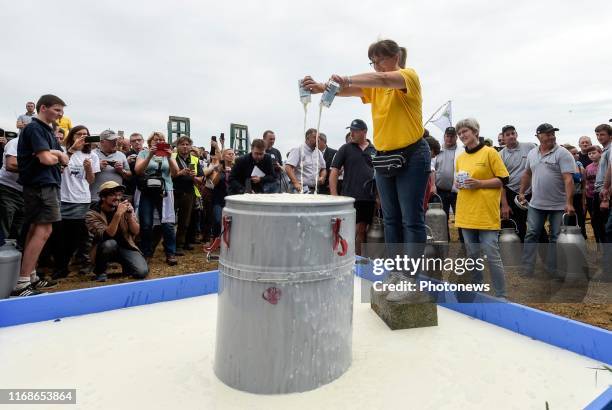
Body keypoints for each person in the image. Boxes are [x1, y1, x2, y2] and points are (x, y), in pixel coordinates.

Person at [302, 39, 430, 303]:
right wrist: (322, 88)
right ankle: (396, 273)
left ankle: (410, 278)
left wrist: (345, 77)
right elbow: (355, 89)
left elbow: (380, 80)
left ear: (394, 57)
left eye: (378, 60)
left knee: (411, 219)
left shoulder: (408, 77)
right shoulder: (376, 88)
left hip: (412, 155)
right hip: (384, 159)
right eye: (373, 62)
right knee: (391, 219)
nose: (376, 66)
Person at [14, 94, 69, 296]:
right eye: (56, 109)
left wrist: (57, 156)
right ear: (43, 107)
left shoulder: (46, 130)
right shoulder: (35, 128)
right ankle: (22, 284)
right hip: (41, 185)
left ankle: (31, 277)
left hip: (44, 184)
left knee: (36, 230)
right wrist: (60, 154)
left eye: (61, 111)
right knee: (43, 231)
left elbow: (51, 158)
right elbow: (46, 159)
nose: (60, 114)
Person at [454, 118, 509, 299]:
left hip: (485, 213)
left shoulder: (490, 152)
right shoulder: (460, 157)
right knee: (472, 256)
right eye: (459, 133)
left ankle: (501, 295)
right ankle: (477, 290)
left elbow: (503, 180)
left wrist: (480, 183)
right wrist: (458, 184)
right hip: (466, 212)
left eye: (465, 132)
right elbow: (459, 181)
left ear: (475, 132)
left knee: (492, 255)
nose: (462, 135)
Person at [518, 123, 576, 276]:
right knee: (531, 234)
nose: (551, 136)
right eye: (547, 133)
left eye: (552, 133)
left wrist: (569, 203)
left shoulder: (563, 153)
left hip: (559, 205)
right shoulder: (532, 153)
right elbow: (527, 174)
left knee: (556, 238)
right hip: (536, 204)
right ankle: (527, 268)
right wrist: (522, 192)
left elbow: (568, 179)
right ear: (538, 136)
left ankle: (553, 270)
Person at [50, 125, 100, 280]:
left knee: (74, 236)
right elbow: (56, 169)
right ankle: (60, 266)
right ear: (72, 136)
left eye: (86, 135)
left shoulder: (93, 155)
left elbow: (91, 180)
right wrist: (72, 150)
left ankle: (65, 266)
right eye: (79, 134)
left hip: (81, 199)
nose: (83, 137)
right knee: (58, 234)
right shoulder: (61, 151)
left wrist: (89, 168)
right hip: (61, 198)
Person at [329, 119, 377, 256]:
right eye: (351, 131)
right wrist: (334, 196)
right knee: (349, 231)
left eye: (355, 131)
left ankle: (358, 260)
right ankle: (345, 258)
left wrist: (379, 197)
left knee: (363, 230)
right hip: (349, 197)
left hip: (369, 197)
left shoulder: (375, 150)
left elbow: (380, 175)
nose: (352, 134)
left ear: (364, 132)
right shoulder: (345, 148)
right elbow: (334, 172)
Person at [85, 181, 148, 282]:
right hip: (103, 248)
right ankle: (100, 271)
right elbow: (108, 234)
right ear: (103, 197)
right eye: (112, 195)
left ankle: (127, 266)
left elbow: (136, 231)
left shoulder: (124, 207)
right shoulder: (92, 214)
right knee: (110, 243)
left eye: (119, 195)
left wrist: (130, 216)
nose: (117, 198)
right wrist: (118, 214)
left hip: (125, 246)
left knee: (142, 272)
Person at [135, 132, 180, 265]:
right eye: (156, 140)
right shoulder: (143, 153)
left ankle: (170, 253)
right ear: (150, 142)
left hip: (165, 190)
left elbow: (175, 173)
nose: (159, 142)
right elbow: (138, 170)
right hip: (147, 191)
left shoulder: (169, 155)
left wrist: (170, 157)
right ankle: (146, 253)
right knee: (146, 223)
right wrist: (150, 155)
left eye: (162, 140)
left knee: (168, 223)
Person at [499, 125, 537, 241]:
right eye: (508, 135)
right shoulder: (500, 155)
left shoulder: (530, 146)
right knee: (518, 228)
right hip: (511, 193)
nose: (511, 136)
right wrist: (504, 204)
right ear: (503, 139)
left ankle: (545, 256)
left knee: (536, 226)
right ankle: (520, 256)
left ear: (516, 134)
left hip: (532, 192)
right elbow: (501, 182)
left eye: (513, 133)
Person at [172, 135, 203, 252]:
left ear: (190, 146)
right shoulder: (172, 157)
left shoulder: (195, 160)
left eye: (187, 144)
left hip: (189, 193)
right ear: (177, 146)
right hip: (173, 191)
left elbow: (201, 180)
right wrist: (181, 173)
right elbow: (168, 174)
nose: (185, 147)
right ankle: (169, 244)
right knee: (170, 221)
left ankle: (180, 245)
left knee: (184, 221)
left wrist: (194, 177)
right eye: (182, 144)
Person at [434, 126, 464, 241]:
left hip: (458, 191)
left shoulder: (462, 151)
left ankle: (464, 243)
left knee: (461, 218)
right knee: (442, 218)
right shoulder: (438, 151)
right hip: (440, 191)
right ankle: (444, 242)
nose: (450, 138)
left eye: (452, 136)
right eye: (448, 136)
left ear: (456, 137)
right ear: (444, 136)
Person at [90, 130, 131, 202]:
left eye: (115, 140)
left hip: (116, 199)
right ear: (102, 142)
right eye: (111, 141)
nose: (115, 143)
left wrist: (121, 171)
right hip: (95, 198)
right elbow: (83, 176)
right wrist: (97, 167)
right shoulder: (92, 154)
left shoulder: (121, 155)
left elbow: (129, 177)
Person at [285, 128, 326, 193]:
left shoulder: (319, 153)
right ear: (307, 138)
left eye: (319, 138)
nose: (318, 140)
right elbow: (288, 167)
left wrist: (322, 177)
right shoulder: (297, 150)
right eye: (315, 137)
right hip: (299, 189)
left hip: (314, 190)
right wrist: (296, 183)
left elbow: (323, 168)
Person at [0, 132, 24, 240]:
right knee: (3, 226)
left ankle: (11, 255)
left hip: (26, 194)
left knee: (18, 230)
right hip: (7, 189)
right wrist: (37, 166)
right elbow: (11, 165)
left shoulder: (40, 146)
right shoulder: (16, 142)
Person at [210, 148, 235, 239]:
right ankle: (216, 238)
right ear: (223, 156)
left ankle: (228, 239)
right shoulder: (217, 168)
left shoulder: (236, 168)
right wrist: (220, 171)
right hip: (218, 199)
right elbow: (213, 183)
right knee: (217, 220)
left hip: (231, 199)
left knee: (230, 221)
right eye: (229, 154)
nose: (231, 155)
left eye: (232, 154)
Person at [593, 124, 611, 248]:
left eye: (602, 134)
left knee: (608, 229)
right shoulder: (605, 150)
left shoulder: (610, 149)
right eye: (597, 135)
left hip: (606, 193)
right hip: (600, 191)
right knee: (600, 226)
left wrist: (606, 196)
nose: (599, 137)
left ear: (610, 135)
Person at [564, 144, 587, 238]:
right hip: (565, 197)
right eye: (573, 153)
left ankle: (581, 242)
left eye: (577, 153)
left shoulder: (580, 166)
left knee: (580, 221)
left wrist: (583, 200)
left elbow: (583, 186)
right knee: (567, 221)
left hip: (577, 196)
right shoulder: (562, 167)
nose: (577, 155)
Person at [585, 146, 603, 243]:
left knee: (602, 220)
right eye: (589, 154)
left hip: (602, 196)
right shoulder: (588, 167)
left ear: (600, 153)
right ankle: (597, 240)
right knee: (593, 220)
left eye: (594, 153)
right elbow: (586, 182)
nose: (591, 155)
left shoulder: (604, 165)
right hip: (590, 196)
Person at [125, 132, 145, 200]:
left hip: (146, 187)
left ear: (143, 141)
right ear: (130, 143)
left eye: (139, 140)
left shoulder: (148, 154)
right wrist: (126, 162)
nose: (137, 142)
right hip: (130, 189)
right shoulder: (125, 155)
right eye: (133, 141)